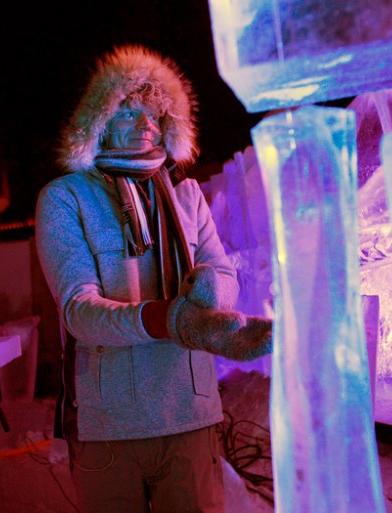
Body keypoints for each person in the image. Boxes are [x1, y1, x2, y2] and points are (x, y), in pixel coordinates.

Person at [35, 44, 272, 512]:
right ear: (100, 122)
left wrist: (210, 291)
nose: (146, 124)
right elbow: (78, 311)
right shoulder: (66, 199)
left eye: (156, 113)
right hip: (110, 427)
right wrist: (173, 320)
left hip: (192, 415)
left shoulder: (187, 196)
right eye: (129, 111)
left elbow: (224, 273)